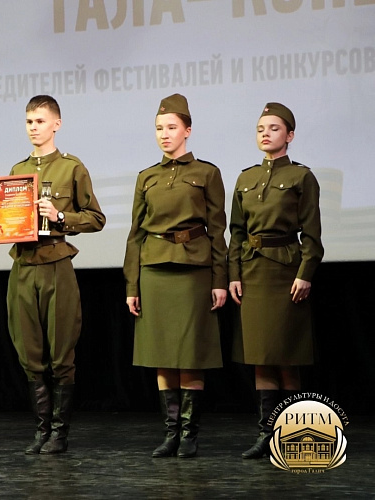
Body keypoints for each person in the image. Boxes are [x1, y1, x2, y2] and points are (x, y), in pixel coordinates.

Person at [0, 95, 106, 455]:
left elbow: (96, 219)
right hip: (23, 265)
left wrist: (60, 216)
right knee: (29, 352)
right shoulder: (18, 169)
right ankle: (41, 430)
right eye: (29, 121)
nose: (33, 127)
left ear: (56, 124)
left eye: (39, 121)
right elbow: (16, 221)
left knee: (61, 352)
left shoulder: (71, 167)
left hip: (56, 264)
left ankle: (59, 433)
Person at [123, 94, 227, 459]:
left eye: (171, 127)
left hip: (193, 270)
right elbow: (135, 234)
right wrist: (132, 284)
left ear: (188, 130)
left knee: (190, 353)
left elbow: (218, 231)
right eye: (159, 128)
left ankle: (189, 434)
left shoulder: (207, 173)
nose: (164, 134)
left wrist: (219, 279)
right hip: (153, 270)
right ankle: (171, 434)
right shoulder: (146, 177)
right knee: (162, 353)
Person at [228, 103, 323, 459]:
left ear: (290, 135)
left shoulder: (301, 177)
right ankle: (266, 434)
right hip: (252, 273)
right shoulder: (245, 179)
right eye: (260, 129)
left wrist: (305, 274)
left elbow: (312, 234)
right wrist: (233, 274)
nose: (265, 134)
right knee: (261, 356)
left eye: (274, 128)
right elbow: (236, 233)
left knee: (286, 356)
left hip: (285, 272)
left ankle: (293, 434)